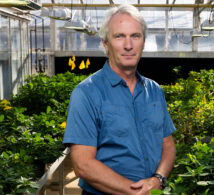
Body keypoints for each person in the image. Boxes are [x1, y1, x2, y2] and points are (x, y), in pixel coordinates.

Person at [62, 4, 176, 195]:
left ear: (143, 41)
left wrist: (159, 178)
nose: (128, 45)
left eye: (135, 36)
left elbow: (168, 145)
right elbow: (83, 165)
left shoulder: (155, 91)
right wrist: (136, 192)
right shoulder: (86, 93)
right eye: (119, 36)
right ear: (106, 44)